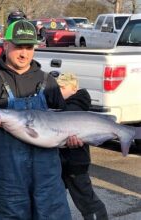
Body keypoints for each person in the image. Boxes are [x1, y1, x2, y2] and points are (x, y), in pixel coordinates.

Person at [0, 20, 83, 219]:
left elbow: (63, 118)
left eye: (29, 47)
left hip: (47, 179)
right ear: (5, 45)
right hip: (7, 180)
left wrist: (72, 141)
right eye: (18, 47)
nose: (24, 53)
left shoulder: (47, 82)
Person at [57, 73, 109, 220]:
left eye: (62, 87)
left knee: (88, 202)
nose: (58, 91)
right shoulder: (58, 104)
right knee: (55, 202)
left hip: (75, 164)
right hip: (59, 162)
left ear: (74, 88)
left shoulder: (74, 106)